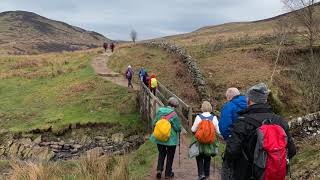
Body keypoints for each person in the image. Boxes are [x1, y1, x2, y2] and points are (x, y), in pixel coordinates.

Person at [222, 83, 296, 180]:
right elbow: (292, 150)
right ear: (265, 100)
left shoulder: (242, 123)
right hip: (272, 175)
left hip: (247, 175)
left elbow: (232, 152)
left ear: (248, 100)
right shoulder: (280, 121)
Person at [150, 97, 181, 179]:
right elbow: (178, 128)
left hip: (159, 138)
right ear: (175, 106)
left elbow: (154, 123)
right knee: (170, 156)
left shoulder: (160, 111)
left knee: (161, 153)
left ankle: (159, 170)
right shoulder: (174, 115)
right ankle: (168, 173)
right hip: (171, 139)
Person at [191, 101, 220, 180]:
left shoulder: (198, 117)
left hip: (200, 141)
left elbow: (193, 129)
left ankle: (201, 174)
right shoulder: (213, 118)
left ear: (202, 108)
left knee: (199, 156)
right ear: (210, 108)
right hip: (210, 142)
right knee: (207, 157)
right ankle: (207, 175)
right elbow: (218, 131)